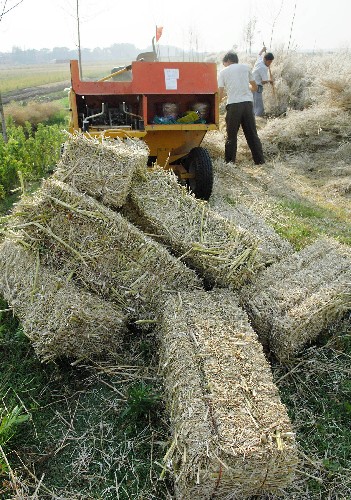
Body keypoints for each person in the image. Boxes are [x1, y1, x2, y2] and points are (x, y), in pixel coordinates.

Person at [218, 51, 265, 165]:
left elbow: (220, 93)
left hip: (234, 105)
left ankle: (230, 163)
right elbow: (254, 87)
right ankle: (260, 161)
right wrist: (244, 87)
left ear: (228, 61)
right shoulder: (246, 68)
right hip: (248, 105)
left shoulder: (223, 72)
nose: (224, 65)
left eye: (224, 63)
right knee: (252, 134)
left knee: (231, 136)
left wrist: (220, 100)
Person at [252, 46, 274, 117]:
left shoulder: (260, 60)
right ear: (265, 59)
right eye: (269, 61)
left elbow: (259, 54)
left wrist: (262, 49)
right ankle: (257, 120)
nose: (270, 63)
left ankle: (253, 118)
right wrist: (270, 81)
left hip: (251, 85)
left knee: (253, 105)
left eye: (271, 62)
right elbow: (264, 81)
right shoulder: (263, 68)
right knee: (259, 107)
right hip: (257, 87)